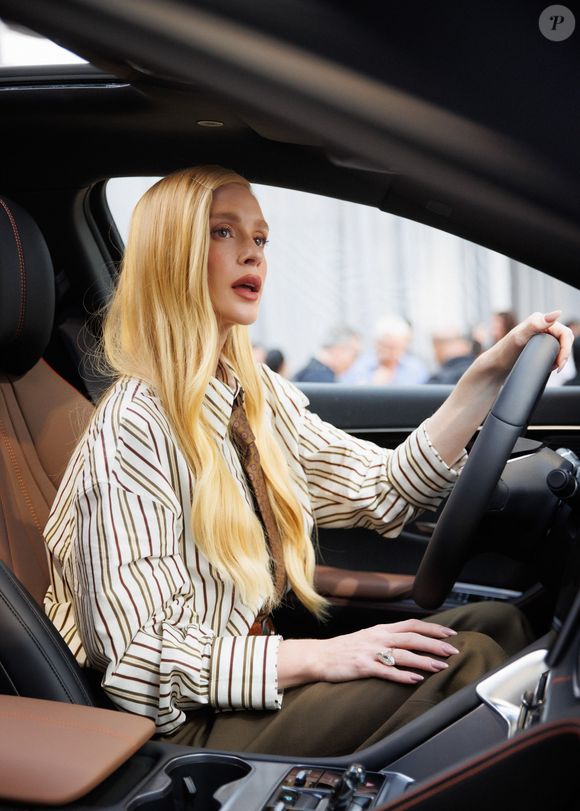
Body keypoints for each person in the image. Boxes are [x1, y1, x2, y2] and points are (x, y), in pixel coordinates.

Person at [43, 166, 572, 758]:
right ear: (171, 255)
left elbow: (382, 488)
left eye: (260, 238)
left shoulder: (251, 393)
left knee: (498, 625)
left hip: (246, 676)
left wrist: (487, 375)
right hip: (184, 728)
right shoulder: (134, 425)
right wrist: (321, 655)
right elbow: (140, 662)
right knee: (467, 661)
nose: (252, 254)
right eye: (223, 232)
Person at [342, 315, 428, 385]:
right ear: (377, 344)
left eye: (396, 348)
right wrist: (372, 385)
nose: (392, 353)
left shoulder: (415, 368)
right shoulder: (359, 366)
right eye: (387, 347)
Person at [293, 326, 360, 383]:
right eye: (355, 355)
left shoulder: (312, 372)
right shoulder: (321, 378)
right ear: (338, 350)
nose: (355, 361)